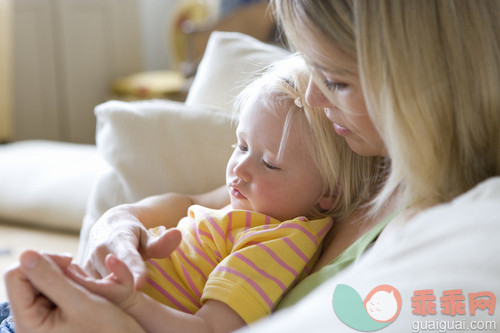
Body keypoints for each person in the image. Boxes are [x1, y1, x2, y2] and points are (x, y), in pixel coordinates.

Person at [4, 0, 499, 332]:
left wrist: (123, 316)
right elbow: (192, 204)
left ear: (421, 83)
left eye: (337, 82)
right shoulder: (297, 183)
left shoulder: (436, 232)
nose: (312, 96)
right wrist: (118, 225)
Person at [1, 54, 384, 333]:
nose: (239, 168)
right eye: (241, 146)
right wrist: (123, 220)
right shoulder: (247, 203)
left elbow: (210, 329)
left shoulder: (278, 240)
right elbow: (187, 202)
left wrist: (132, 303)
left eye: (269, 164)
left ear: (328, 196)